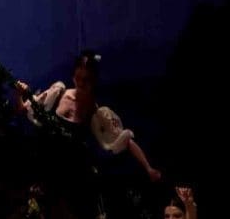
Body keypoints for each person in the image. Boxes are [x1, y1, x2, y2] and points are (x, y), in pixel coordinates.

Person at [16, 51, 161, 182]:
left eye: (86, 80)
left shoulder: (96, 112)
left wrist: (148, 168)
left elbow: (125, 140)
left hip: (72, 173)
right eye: (78, 78)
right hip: (44, 164)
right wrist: (19, 93)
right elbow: (23, 109)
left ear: (93, 81)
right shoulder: (58, 93)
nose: (80, 83)